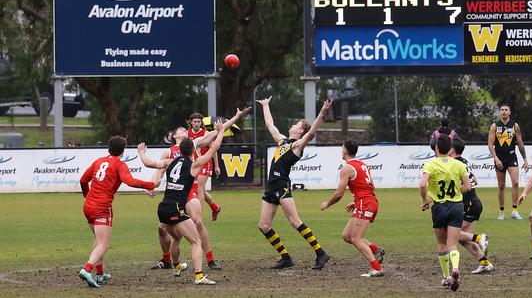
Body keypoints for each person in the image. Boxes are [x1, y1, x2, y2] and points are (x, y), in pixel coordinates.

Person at [150, 109, 250, 271]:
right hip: (173, 194)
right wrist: (153, 184)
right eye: (180, 130)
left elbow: (218, 132)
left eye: (184, 129)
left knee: (197, 222)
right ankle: (167, 260)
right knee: (161, 228)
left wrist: (236, 117)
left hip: (190, 192)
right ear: (175, 136)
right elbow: (159, 170)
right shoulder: (168, 152)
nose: (183, 130)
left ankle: (210, 259)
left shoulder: (194, 143)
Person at [137, 120, 228, 285]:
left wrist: (141, 151)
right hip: (176, 208)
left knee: (177, 239)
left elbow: (148, 163)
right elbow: (213, 149)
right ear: (193, 151)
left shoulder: (170, 162)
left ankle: (176, 267)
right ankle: (199, 276)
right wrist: (221, 131)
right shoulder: (193, 165)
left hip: (163, 207)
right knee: (195, 241)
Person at [257, 96, 332, 270]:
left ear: (300, 132)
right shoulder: (283, 140)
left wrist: (321, 112)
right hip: (271, 187)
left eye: (297, 124)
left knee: (294, 220)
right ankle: (285, 257)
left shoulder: (297, 145)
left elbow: (311, 133)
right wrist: (266, 106)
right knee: (263, 226)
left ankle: (321, 253)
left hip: (281, 185)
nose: (293, 125)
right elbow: (270, 125)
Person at [78, 136, 159, 288]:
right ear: (123, 151)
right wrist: (151, 184)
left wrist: (87, 196)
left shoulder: (99, 161)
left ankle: (100, 274)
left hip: (88, 206)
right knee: (104, 244)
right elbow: (130, 181)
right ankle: (87, 269)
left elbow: (83, 180)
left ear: (108, 148)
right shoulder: (120, 165)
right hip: (102, 208)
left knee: (98, 239)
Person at [320, 140, 385, 278]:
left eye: (342, 148)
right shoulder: (363, 164)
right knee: (347, 236)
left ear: (345, 151)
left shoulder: (347, 168)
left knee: (356, 238)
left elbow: (339, 194)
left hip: (365, 203)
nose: (341, 150)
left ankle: (377, 268)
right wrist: (357, 202)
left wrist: (327, 204)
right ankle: (376, 250)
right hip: (367, 201)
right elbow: (371, 186)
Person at [420, 134, 471, 292]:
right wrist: (456, 191)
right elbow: (468, 187)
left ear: (436, 148)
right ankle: (456, 268)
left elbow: (422, 185)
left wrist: (425, 200)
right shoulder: (459, 165)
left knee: (442, 243)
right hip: (456, 206)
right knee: (453, 244)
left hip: (439, 207)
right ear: (450, 149)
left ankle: (446, 276)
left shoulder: (431, 164)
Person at [448, 138, 493, 274]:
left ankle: (480, 238)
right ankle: (484, 263)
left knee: (452, 235)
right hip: (473, 203)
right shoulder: (464, 162)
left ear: (452, 150)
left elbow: (467, 187)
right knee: (462, 238)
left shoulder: (455, 164)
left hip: (469, 204)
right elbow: (475, 181)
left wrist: (450, 194)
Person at [487, 102, 528, 220]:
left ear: (509, 112)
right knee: (501, 186)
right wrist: (495, 158)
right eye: (502, 110)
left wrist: (525, 159)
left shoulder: (515, 126)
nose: (504, 111)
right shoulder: (495, 126)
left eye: (506, 110)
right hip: (499, 159)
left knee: (515, 182)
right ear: (500, 112)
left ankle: (514, 211)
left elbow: (520, 143)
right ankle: (501, 212)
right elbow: (490, 144)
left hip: (511, 157)